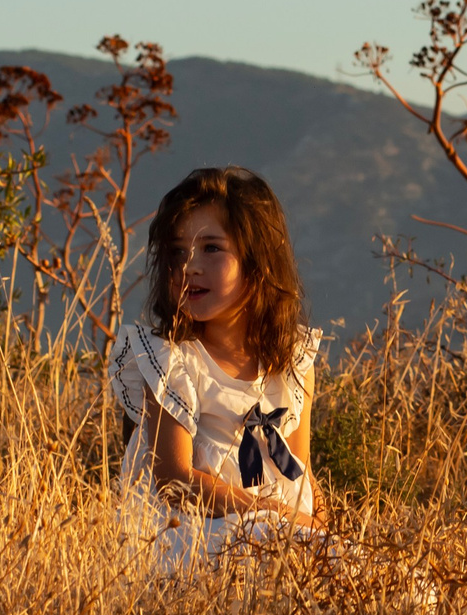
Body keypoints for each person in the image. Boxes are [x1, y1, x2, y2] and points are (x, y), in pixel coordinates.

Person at [109, 166, 322, 571]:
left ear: (257, 261)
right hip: (196, 537)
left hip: (282, 532)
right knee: (275, 548)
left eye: (211, 248)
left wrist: (323, 528)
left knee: (372, 574)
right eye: (176, 251)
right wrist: (269, 515)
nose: (189, 266)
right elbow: (175, 481)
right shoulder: (173, 360)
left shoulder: (291, 364)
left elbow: (303, 473)